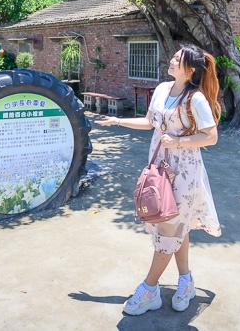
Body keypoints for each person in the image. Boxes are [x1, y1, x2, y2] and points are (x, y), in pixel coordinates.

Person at [95, 44, 222, 315]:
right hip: (159, 167)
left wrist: (178, 141)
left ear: (190, 70)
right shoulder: (163, 89)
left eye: (178, 59)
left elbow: (211, 136)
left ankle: (149, 289)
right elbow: (150, 122)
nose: (172, 60)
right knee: (176, 227)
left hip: (185, 172)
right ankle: (186, 282)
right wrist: (117, 122)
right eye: (174, 57)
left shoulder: (196, 98)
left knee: (168, 229)